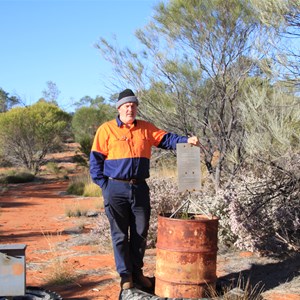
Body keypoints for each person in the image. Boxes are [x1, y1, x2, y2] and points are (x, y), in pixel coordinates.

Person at [90, 88, 199, 292]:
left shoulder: (146, 128)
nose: (130, 109)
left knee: (140, 232)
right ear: (119, 108)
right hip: (115, 188)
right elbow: (95, 162)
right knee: (120, 235)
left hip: (140, 188)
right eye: (126, 105)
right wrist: (105, 186)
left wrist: (186, 140)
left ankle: (137, 272)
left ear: (136, 108)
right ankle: (125, 276)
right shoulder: (106, 130)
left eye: (133, 105)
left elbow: (166, 139)